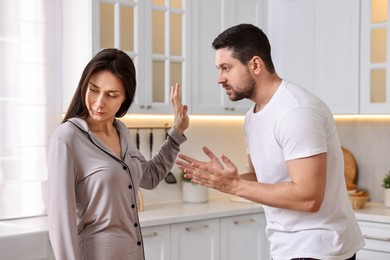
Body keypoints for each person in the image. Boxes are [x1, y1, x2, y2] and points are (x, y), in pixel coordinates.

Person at [176, 24, 364, 260]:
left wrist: (234, 186)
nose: (219, 79)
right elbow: (261, 179)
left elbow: (309, 198)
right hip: (287, 247)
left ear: (255, 64)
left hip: (319, 248)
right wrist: (219, 179)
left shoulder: (296, 110)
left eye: (226, 68)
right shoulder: (252, 117)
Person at [47, 48, 189, 260]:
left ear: (125, 99)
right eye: (94, 89)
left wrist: (177, 132)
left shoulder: (121, 131)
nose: (99, 102)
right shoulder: (67, 137)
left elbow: (149, 177)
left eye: (112, 95)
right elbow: (61, 221)